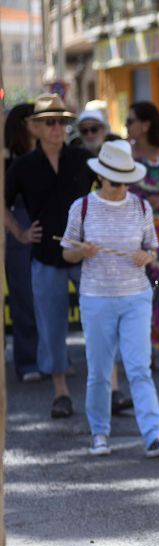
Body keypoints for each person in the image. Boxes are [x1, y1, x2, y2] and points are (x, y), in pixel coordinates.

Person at [60, 140, 159, 458]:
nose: (119, 187)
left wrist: (146, 255)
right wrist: (81, 251)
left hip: (135, 296)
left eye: (125, 180)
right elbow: (66, 252)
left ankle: (153, 435)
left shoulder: (139, 206)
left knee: (139, 367)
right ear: (101, 177)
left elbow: (153, 247)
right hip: (96, 297)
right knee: (99, 369)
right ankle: (99, 432)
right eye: (114, 180)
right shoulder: (82, 207)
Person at [4, 95, 95, 418]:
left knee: (101, 319)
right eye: (50, 122)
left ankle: (109, 389)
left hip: (85, 253)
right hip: (44, 255)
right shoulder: (22, 166)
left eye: (62, 121)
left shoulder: (83, 158)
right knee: (51, 325)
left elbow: (112, 188)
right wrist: (19, 233)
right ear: (36, 128)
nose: (57, 128)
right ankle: (60, 392)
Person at [3, 102, 41, 383]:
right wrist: (17, 232)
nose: (47, 126)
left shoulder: (51, 156)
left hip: (45, 225)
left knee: (48, 296)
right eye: (38, 120)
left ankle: (53, 358)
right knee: (24, 296)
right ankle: (27, 361)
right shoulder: (7, 159)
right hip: (19, 227)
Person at [126, 101, 159, 214]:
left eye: (130, 121)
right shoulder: (124, 153)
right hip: (132, 223)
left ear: (145, 125)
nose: (125, 125)